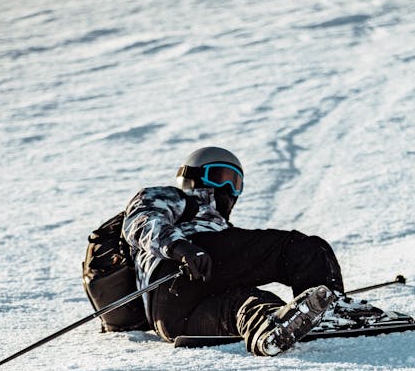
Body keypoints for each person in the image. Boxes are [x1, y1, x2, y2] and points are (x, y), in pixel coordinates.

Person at [111, 146, 390, 356]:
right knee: (299, 249)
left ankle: (270, 328)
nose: (228, 189)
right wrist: (181, 247)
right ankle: (331, 311)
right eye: (219, 176)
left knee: (249, 303)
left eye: (235, 182)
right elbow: (139, 220)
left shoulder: (218, 224)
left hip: (174, 320)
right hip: (179, 270)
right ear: (193, 177)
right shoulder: (174, 198)